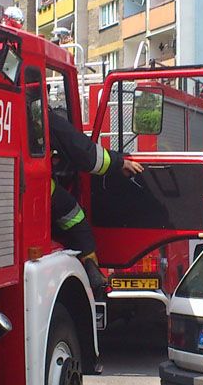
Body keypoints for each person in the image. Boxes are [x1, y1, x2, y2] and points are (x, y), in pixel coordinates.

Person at [48, 110, 144, 297]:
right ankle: (92, 275)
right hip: (37, 191)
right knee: (76, 218)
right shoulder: (40, 113)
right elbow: (84, 152)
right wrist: (119, 163)